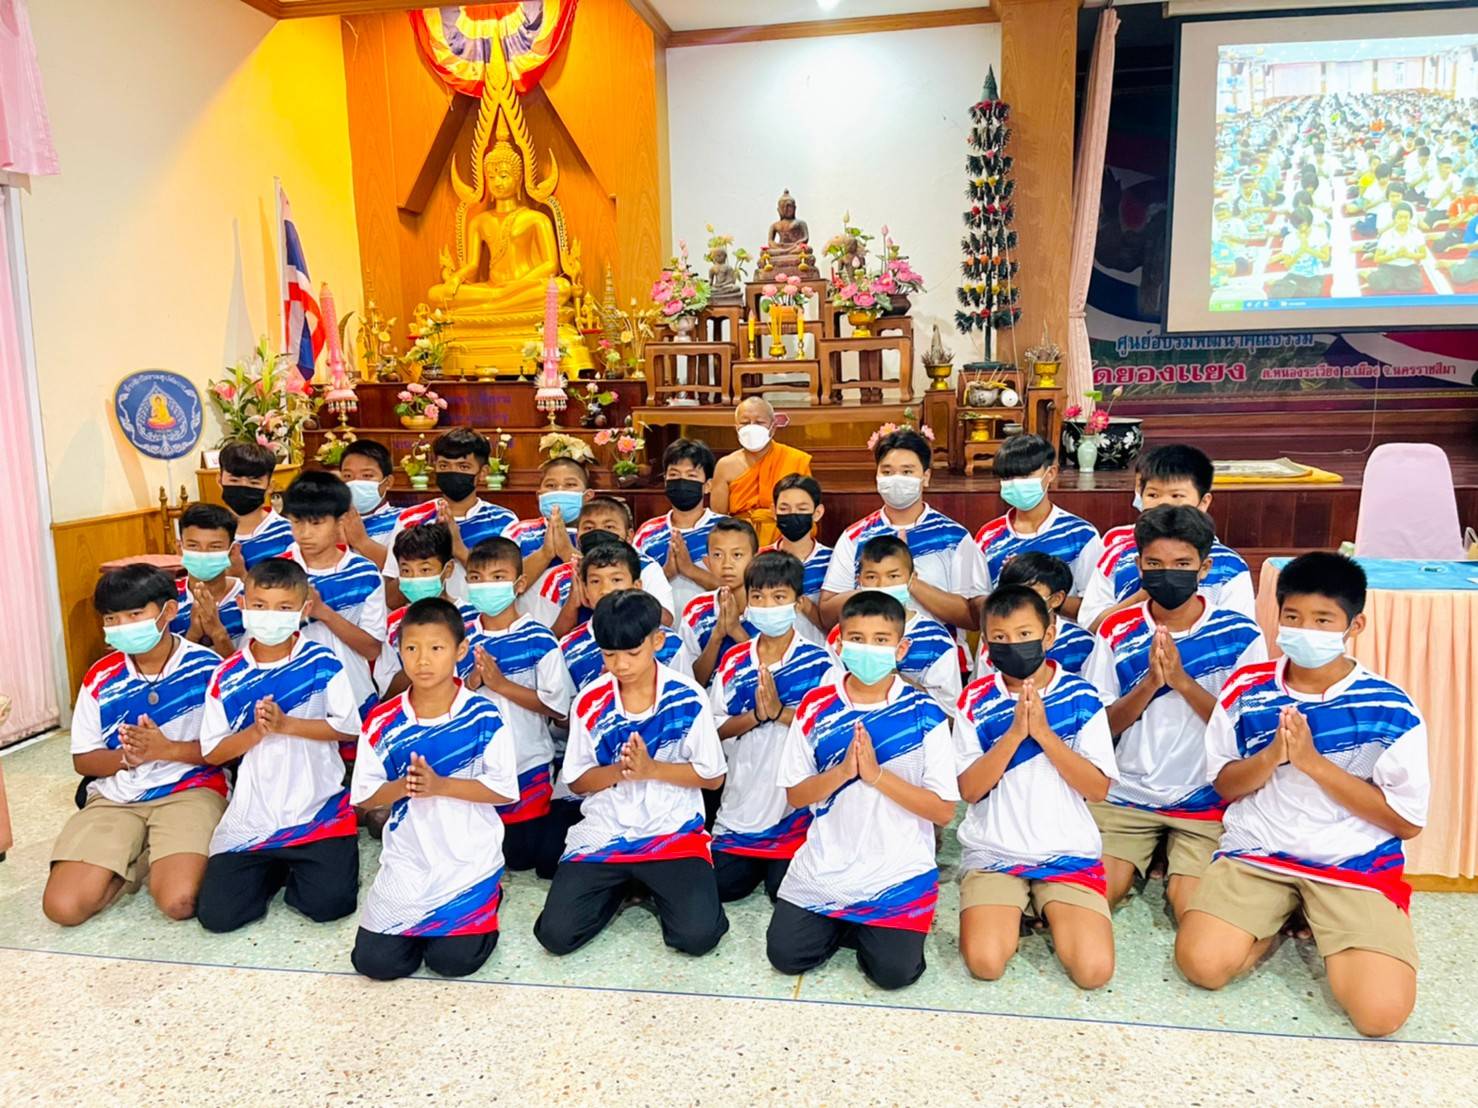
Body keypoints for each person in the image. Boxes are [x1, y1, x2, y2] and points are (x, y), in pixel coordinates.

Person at [1176, 554, 1428, 1039]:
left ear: (1355, 625)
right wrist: (1273, 756)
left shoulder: (1391, 707)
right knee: (1202, 966)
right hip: (1259, 853)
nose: (1304, 630)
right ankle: (1280, 917)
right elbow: (1225, 785)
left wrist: (1313, 764)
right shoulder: (1247, 689)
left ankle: (1316, 917)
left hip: (1351, 864)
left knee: (1379, 1017)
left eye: (1322, 620)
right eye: (1292, 617)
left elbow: (1406, 822)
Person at [767, 592, 959, 990]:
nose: (868, 648)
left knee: (893, 974)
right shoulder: (815, 707)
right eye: (857, 638)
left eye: (880, 640)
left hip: (897, 872)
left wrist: (876, 776)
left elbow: (943, 811)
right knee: (786, 956)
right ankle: (854, 922)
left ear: (901, 648)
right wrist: (843, 772)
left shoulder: (925, 713)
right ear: (839, 644)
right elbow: (796, 795)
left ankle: (867, 926)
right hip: (825, 866)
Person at [1082, 507, 1265, 921]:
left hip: (1204, 799)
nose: (1168, 574)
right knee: (1091, 903)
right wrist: (1149, 684)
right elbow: (1101, 726)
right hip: (1128, 795)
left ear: (1205, 568)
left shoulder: (1240, 635)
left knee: (1194, 914)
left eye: (1182, 564)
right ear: (1139, 566)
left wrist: (1183, 682)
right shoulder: (1116, 630)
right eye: (1155, 564)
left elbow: (1245, 734)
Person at [534, 590, 730, 957]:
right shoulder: (590, 701)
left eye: (631, 653)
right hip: (605, 832)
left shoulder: (688, 697)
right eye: (609, 655)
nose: (620, 665)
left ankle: (644, 885)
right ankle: (623, 888)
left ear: (657, 641)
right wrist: (622, 771)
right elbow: (578, 780)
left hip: (671, 832)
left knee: (697, 937)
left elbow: (712, 777)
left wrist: (652, 769)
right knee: (556, 936)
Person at [43, 565, 227, 926]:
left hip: (190, 789)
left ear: (168, 611)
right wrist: (128, 757)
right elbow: (84, 760)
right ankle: (136, 857)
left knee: (180, 902)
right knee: (63, 908)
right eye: (111, 618)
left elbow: (228, 752)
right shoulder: (101, 676)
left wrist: (166, 750)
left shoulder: (207, 669)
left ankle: (149, 854)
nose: (122, 626)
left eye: (134, 614)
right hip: (117, 796)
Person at [954, 585, 1117, 988]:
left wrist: (1043, 733)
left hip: (1067, 853)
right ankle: (1020, 908)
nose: (1014, 645)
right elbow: (969, 790)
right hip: (995, 851)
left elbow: (1097, 789)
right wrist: (1014, 734)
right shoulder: (975, 699)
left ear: (1049, 635)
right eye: (1001, 637)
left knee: (1093, 973)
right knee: (986, 964)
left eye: (1025, 634)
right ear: (986, 643)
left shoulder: (1082, 697)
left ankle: (1039, 907)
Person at [350, 598, 517, 981]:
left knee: (452, 962)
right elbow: (365, 798)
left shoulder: (484, 715)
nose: (423, 660)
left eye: (436, 648)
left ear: (460, 650)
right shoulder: (382, 720)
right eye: (412, 648)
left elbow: (504, 790)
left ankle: (489, 894)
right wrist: (402, 787)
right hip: (407, 862)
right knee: (377, 964)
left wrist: (440, 785)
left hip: (468, 862)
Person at [195, 558, 361, 932]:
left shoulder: (323, 662)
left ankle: (293, 867)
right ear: (242, 606)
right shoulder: (227, 674)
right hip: (252, 815)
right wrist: (256, 733)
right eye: (260, 605)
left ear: (304, 610)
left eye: (284, 608)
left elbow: (349, 728)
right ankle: (272, 869)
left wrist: (287, 725)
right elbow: (213, 752)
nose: (271, 616)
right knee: (219, 917)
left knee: (330, 905)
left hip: (317, 810)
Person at [708, 552, 834, 902]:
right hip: (741, 808)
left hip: (794, 815)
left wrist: (780, 713)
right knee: (721, 888)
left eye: (779, 597)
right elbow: (715, 728)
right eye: (758, 597)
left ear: (798, 601)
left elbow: (829, 733)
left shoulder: (820, 662)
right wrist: (756, 716)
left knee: (786, 893)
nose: (767, 606)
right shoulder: (734, 660)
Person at [461, 537, 575, 879]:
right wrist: (472, 682)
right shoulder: (460, 638)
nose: (486, 586)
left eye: (497, 577)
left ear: (519, 583)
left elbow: (558, 708)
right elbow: (442, 696)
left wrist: (501, 685)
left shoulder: (539, 638)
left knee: (523, 856)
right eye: (477, 578)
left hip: (527, 762)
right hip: (474, 767)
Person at [821, 427, 985, 634]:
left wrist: (911, 583)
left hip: (936, 649)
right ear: (877, 476)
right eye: (887, 472)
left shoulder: (954, 537)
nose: (896, 479)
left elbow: (972, 618)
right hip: (873, 648)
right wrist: (872, 587)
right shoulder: (855, 536)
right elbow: (827, 615)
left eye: (907, 472)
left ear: (925, 476)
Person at [1078, 444, 1254, 631]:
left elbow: (1239, 632)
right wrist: (1142, 597)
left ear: (1204, 502)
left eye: (1176, 495)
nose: (1163, 504)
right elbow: (1090, 626)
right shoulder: (1117, 555)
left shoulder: (1230, 567)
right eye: (1153, 495)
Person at [281, 472, 387, 741]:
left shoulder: (364, 573)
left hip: (355, 694)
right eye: (297, 522)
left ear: (340, 521)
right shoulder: (277, 572)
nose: (305, 533)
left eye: (316, 523)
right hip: (295, 700)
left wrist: (322, 613)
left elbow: (372, 648)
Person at [830, 535, 962, 712]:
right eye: (871, 577)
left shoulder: (937, 641)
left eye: (893, 576)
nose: (882, 585)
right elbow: (829, 698)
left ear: (912, 578)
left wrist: (892, 678)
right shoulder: (840, 635)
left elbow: (950, 715)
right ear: (859, 581)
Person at [384, 428, 517, 603]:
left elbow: (510, 589)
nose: (452, 472)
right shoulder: (410, 519)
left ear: (483, 473)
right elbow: (391, 599)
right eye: (444, 466)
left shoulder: (504, 522)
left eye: (463, 467)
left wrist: (458, 548)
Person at [973, 433, 1100, 617]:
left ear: (1051, 473)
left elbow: (1093, 606)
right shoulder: (988, 536)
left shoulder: (1081, 535)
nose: (1016, 483)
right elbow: (977, 601)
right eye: (1008, 477)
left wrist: (1037, 596)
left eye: (1025, 475)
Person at [526, 494, 675, 633]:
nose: (598, 533)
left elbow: (666, 620)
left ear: (629, 536)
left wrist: (628, 599)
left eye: (609, 527)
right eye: (589, 528)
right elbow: (550, 636)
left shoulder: (646, 568)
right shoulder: (558, 577)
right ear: (577, 536)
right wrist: (572, 605)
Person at [560, 542, 693, 692]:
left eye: (616, 580)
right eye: (595, 581)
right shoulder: (568, 647)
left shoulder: (670, 644)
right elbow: (567, 705)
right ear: (584, 589)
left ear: (637, 586)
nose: (605, 589)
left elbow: (687, 695)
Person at [375, 524, 480, 699]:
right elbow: (386, 693)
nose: (415, 578)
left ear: (448, 570)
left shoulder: (476, 618)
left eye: (425, 570)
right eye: (406, 570)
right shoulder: (393, 625)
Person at [633, 438, 722, 616]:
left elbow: (740, 589)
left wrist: (690, 570)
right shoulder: (647, 533)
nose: (682, 482)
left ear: (708, 485)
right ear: (665, 481)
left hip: (711, 625)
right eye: (674, 475)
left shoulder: (725, 530)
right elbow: (633, 591)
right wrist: (667, 572)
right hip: (658, 627)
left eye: (691, 476)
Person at [709, 397, 813, 546]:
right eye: (745, 423)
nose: (752, 427)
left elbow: (805, 511)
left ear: (773, 427)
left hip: (785, 541)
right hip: (739, 542)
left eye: (759, 422)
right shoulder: (725, 465)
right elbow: (719, 518)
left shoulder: (795, 459)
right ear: (736, 428)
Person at [974, 552, 1094, 678]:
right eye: (1011, 594)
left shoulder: (1083, 643)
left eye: (1030, 594)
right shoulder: (995, 639)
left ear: (1056, 599)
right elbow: (984, 685)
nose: (1018, 602)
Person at [681, 517, 760, 688]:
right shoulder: (696, 611)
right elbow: (692, 682)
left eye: (737, 555)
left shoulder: (769, 608)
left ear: (755, 560)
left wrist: (736, 631)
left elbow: (771, 678)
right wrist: (716, 637)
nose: (727, 564)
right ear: (707, 562)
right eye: (717, 555)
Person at [508, 457, 591, 616]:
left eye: (570, 485)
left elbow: (603, 585)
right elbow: (503, 587)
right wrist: (545, 554)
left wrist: (567, 552)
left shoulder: (596, 533)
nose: (559, 490)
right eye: (551, 485)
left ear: (587, 496)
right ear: (539, 495)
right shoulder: (518, 532)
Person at [171, 502, 246, 657]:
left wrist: (218, 633)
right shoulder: (166, 598)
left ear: (232, 550)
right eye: (193, 546)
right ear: (179, 548)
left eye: (215, 547)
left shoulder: (251, 598)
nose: (203, 554)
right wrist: (193, 634)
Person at [768, 473, 831, 644]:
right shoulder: (759, 559)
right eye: (784, 509)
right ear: (773, 511)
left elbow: (838, 621)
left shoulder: (833, 561)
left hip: (821, 651)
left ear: (817, 513)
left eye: (802, 509)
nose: (793, 515)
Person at [218, 442, 293, 569]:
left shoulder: (288, 533)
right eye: (234, 480)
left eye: (254, 482)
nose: (243, 487)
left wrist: (241, 575)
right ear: (219, 481)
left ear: (270, 486)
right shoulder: (207, 532)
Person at [336, 440, 403, 570]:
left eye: (367, 475)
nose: (355, 482)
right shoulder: (329, 521)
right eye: (347, 476)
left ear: (388, 482)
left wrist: (362, 542)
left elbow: (406, 569)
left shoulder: (404, 520)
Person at [1267, 208, 1330, 299]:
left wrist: (1307, 249)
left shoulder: (1319, 234)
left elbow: (1326, 257)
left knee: (1313, 293)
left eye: (1306, 226)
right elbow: (1287, 265)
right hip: (1294, 274)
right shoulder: (1289, 239)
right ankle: (1289, 286)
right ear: (1295, 226)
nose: (1304, 229)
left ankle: (1282, 284)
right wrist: (1300, 251)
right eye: (1300, 227)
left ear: (1310, 222)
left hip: (1315, 275)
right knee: (1275, 294)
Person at [1366, 203, 1428, 293]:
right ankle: (1367, 274)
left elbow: (1423, 254)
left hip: (1409, 266)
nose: (1403, 220)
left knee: (1417, 284)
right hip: (1389, 266)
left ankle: (1393, 281)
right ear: (1394, 218)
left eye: (1406, 217)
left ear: (1410, 218)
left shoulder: (1417, 233)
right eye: (1400, 217)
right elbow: (1377, 259)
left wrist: (1408, 255)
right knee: (1380, 285)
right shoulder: (1386, 235)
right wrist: (1395, 255)